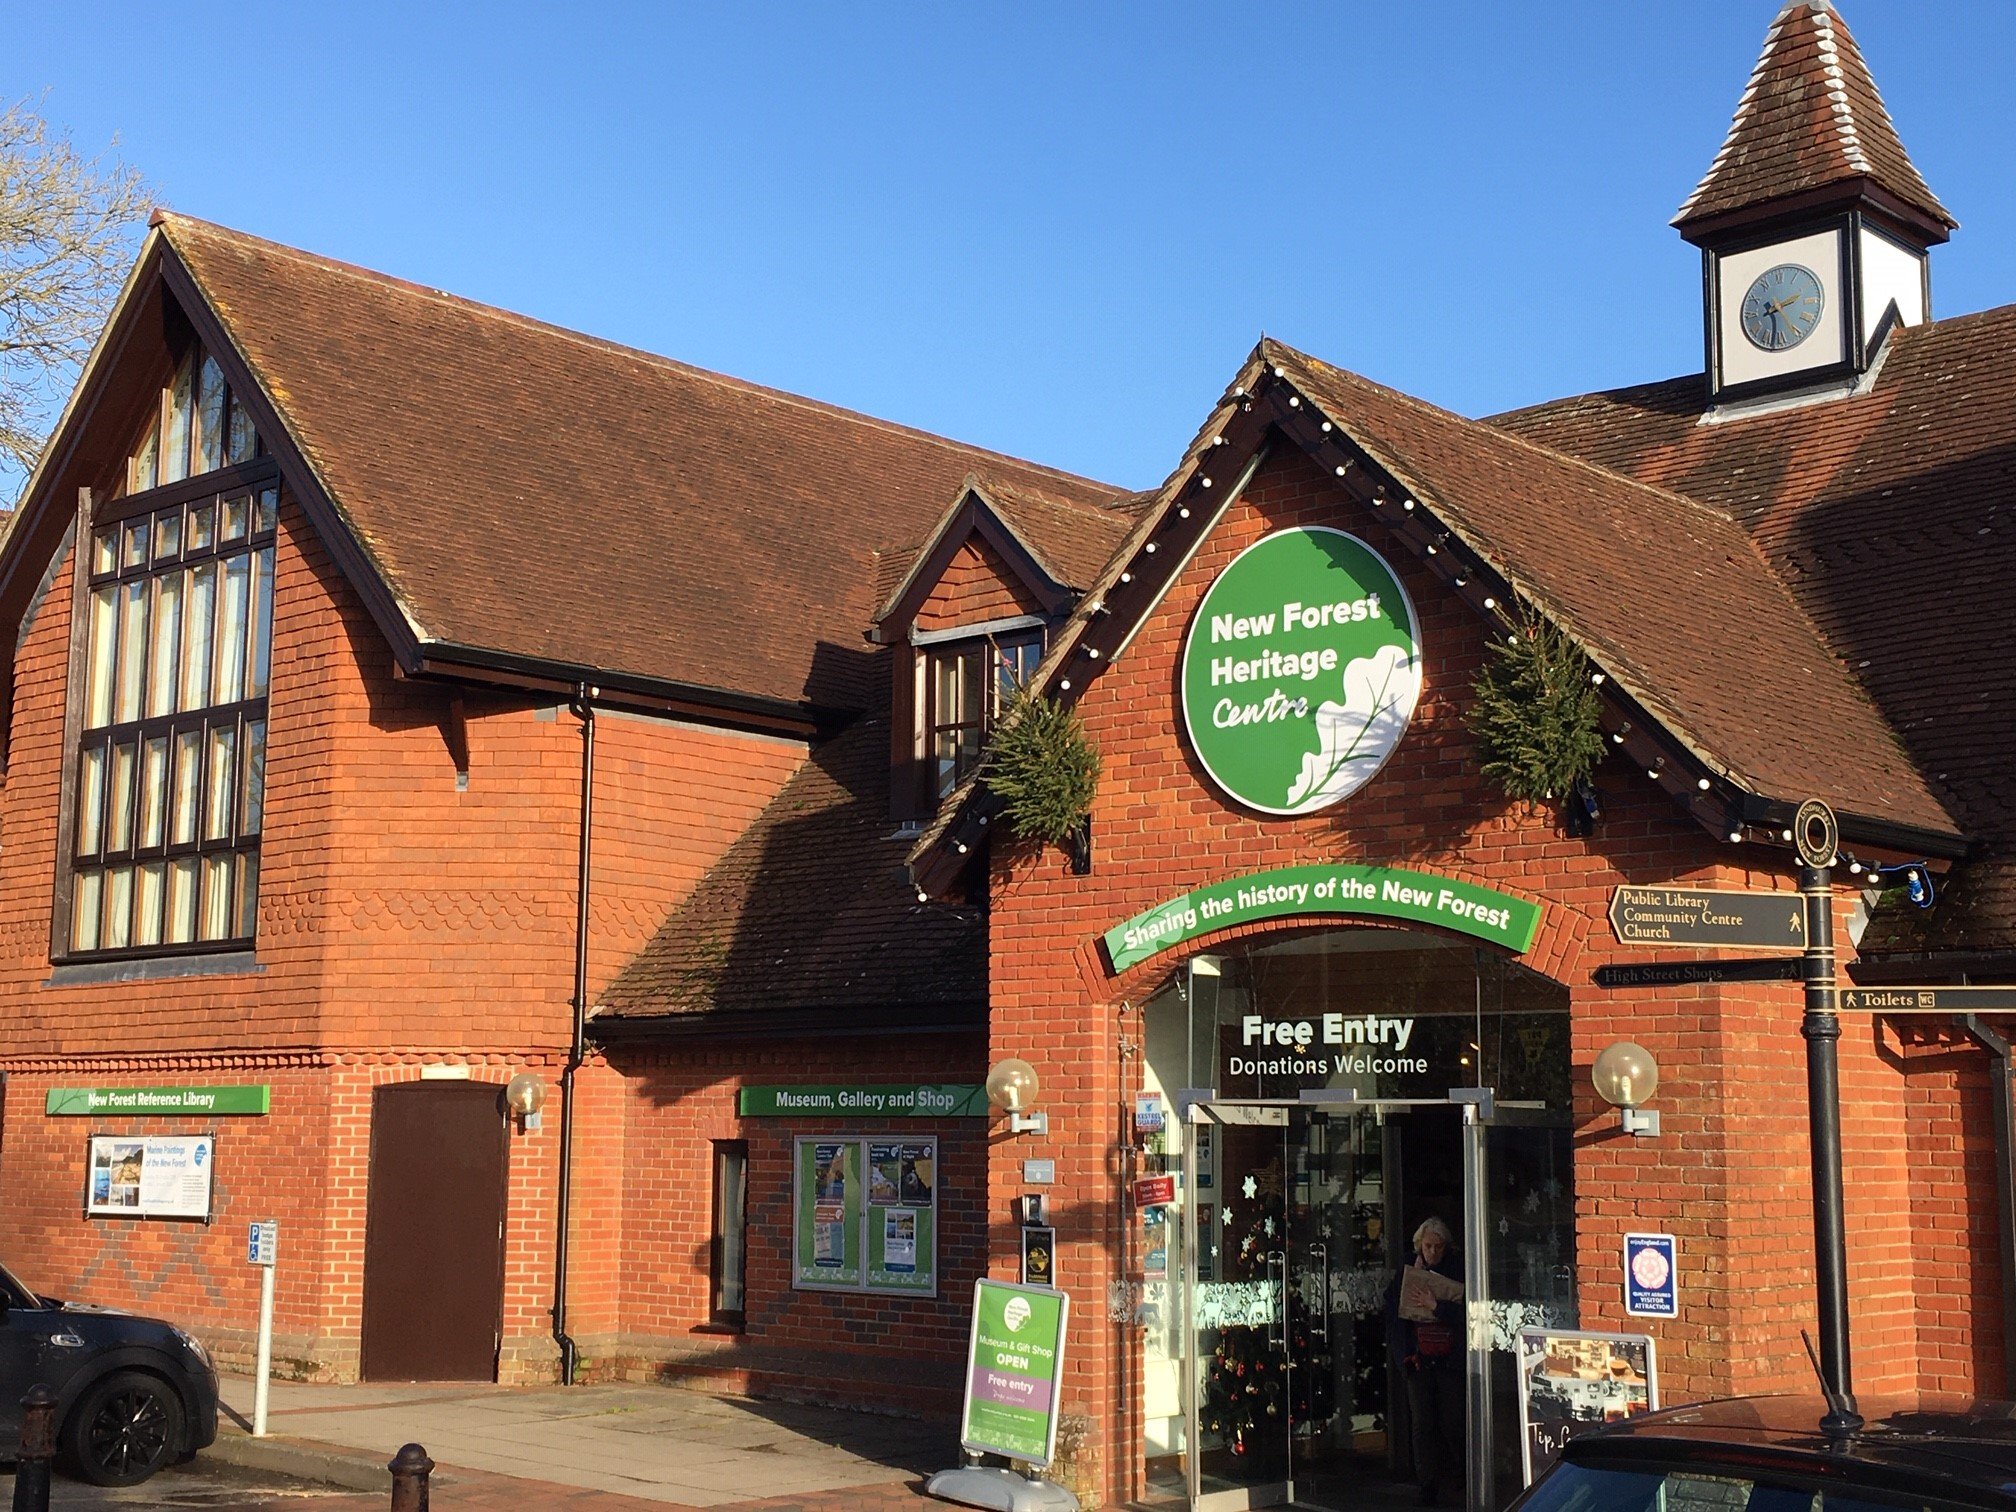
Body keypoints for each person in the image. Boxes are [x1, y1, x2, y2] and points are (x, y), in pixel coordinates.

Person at [1386, 1216, 1464, 1506]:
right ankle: (1427, 1483)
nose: (1433, 1252)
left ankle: (1458, 1472)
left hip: (1448, 1358)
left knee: (1451, 1421)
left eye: (1438, 1247)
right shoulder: (1408, 1266)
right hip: (1418, 1358)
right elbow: (1393, 1315)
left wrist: (1437, 1306)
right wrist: (1403, 1354)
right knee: (1422, 1425)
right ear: (1419, 1246)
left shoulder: (1455, 1269)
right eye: (1428, 1246)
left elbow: (1468, 1312)